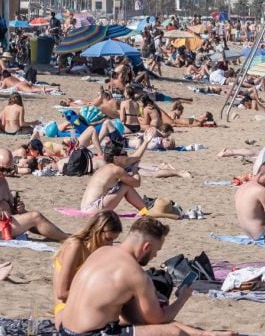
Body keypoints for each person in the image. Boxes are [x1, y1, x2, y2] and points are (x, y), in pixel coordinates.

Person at [58, 216, 234, 336]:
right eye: (156, 251)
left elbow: (138, 318)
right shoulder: (135, 274)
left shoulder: (101, 251)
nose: (155, 256)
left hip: (64, 329)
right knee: (173, 333)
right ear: (146, 247)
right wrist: (183, 298)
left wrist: (199, 332)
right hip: (91, 334)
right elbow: (158, 320)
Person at [0, 148, 68, 241]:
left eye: (8, 170)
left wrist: (19, 209)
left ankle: (62, 236)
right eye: (2, 169)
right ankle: (66, 238)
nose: (4, 173)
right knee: (35, 216)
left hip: (3, 221)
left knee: (33, 217)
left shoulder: (3, 181)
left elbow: (11, 207)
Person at [53, 211, 123, 325]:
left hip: (84, 302)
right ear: (97, 231)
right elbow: (61, 293)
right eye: (108, 239)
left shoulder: (98, 249)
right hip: (66, 306)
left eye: (113, 240)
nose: (111, 244)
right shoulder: (75, 246)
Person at [78, 139, 152, 214]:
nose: (127, 156)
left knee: (123, 184)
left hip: (86, 208)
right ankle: (146, 210)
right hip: (92, 209)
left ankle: (144, 208)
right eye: (124, 154)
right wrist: (135, 169)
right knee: (125, 185)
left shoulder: (108, 167)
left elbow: (136, 157)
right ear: (116, 158)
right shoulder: (116, 170)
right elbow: (136, 183)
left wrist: (146, 141)